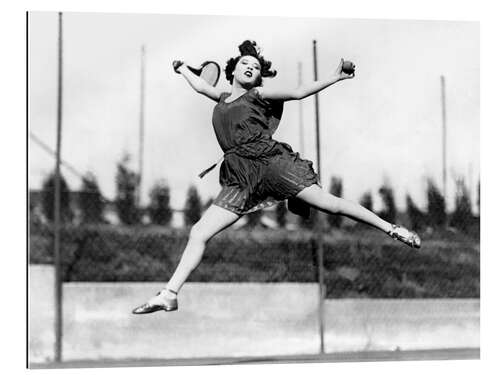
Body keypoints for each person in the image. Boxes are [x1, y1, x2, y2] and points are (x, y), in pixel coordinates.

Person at [132, 40, 421, 314]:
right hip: (239, 176)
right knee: (198, 232)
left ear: (259, 78)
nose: (250, 68)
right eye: (245, 63)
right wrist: (181, 68)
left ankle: (391, 228)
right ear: (232, 70)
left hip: (271, 163)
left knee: (329, 203)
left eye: (256, 67)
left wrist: (335, 76)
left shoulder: (257, 95)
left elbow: (297, 92)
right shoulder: (219, 97)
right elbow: (199, 85)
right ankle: (169, 295)